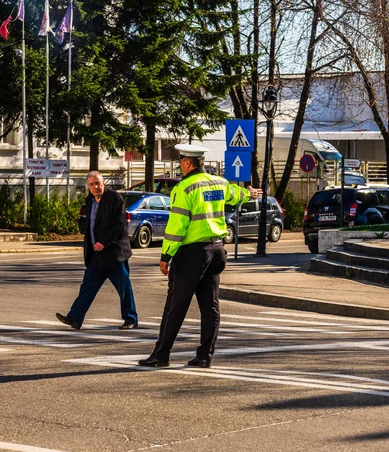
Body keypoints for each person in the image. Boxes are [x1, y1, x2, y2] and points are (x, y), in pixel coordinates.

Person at [138, 143, 261, 369]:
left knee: (175, 305)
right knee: (210, 306)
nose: (179, 166)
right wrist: (250, 193)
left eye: (180, 162)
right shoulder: (219, 182)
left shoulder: (185, 188)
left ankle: (161, 355)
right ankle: (205, 356)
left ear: (187, 163)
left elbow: (177, 227)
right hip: (216, 251)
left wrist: (166, 255)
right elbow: (236, 194)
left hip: (192, 253)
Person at [56, 171, 138, 330]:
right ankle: (75, 318)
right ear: (88, 186)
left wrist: (104, 242)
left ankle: (131, 319)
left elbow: (119, 224)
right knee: (88, 287)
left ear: (103, 183)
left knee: (124, 287)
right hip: (96, 255)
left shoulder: (114, 199)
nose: (95, 187)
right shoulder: (89, 201)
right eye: (92, 184)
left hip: (114, 253)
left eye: (98, 183)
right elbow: (89, 225)